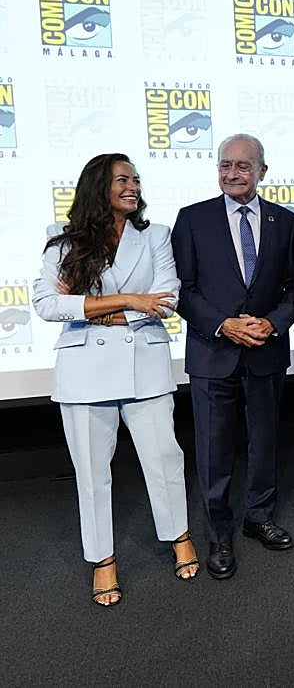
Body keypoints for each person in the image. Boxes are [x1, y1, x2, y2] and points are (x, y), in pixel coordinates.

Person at [32, 153, 197, 606]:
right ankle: (102, 559)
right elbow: (46, 304)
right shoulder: (62, 241)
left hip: (146, 363)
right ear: (98, 186)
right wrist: (129, 301)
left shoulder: (156, 236)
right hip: (84, 371)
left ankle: (179, 535)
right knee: (91, 472)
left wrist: (92, 308)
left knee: (165, 458)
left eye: (135, 179)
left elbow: (166, 299)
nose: (133, 187)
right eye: (123, 179)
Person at [172, 134, 294, 579]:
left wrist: (274, 323)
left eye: (243, 166)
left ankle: (259, 516)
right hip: (212, 352)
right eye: (225, 165)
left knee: (265, 440)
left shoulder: (285, 221)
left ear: (263, 171)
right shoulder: (192, 219)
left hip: (265, 350)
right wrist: (223, 324)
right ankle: (219, 533)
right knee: (213, 449)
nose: (233, 173)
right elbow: (182, 290)